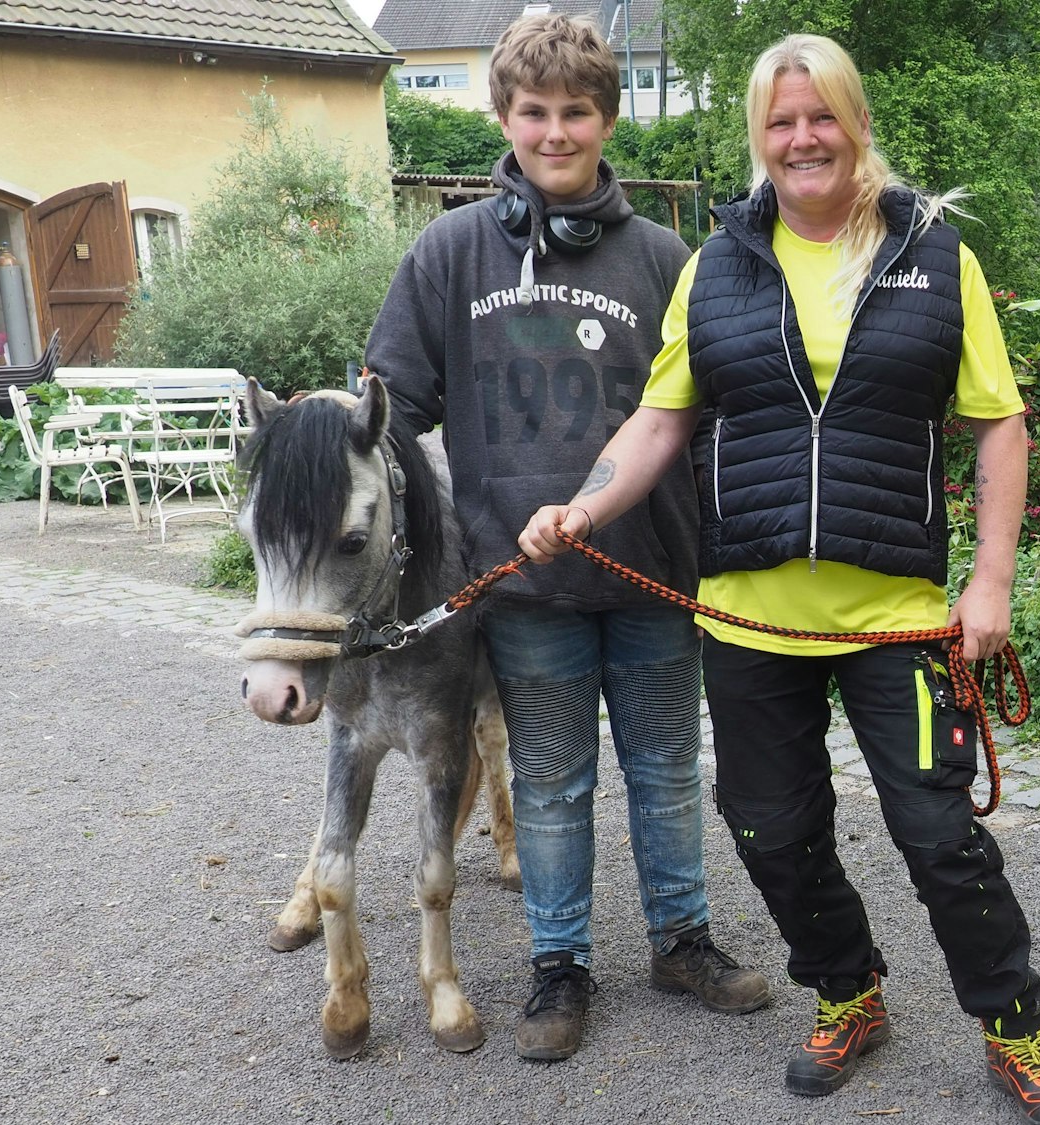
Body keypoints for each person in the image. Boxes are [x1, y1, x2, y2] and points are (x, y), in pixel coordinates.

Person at [518, 32, 1040, 1125]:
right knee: (769, 830)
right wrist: (584, 506)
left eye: (818, 115)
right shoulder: (717, 265)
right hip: (746, 619)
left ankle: (1015, 1026)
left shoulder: (933, 256)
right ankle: (847, 993)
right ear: (758, 138)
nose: (800, 138)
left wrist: (991, 585)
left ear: (853, 121)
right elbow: (662, 416)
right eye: (779, 122)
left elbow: (999, 427)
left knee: (940, 838)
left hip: (897, 622)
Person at [364, 12, 769, 1063]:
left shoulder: (666, 256)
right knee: (549, 781)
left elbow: (712, 414)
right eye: (534, 112)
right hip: (519, 582)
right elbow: (391, 412)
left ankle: (682, 939)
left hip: (652, 572)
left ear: (607, 117)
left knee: (667, 768)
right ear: (504, 115)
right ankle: (559, 965)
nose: (554, 132)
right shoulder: (449, 252)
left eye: (575, 112)